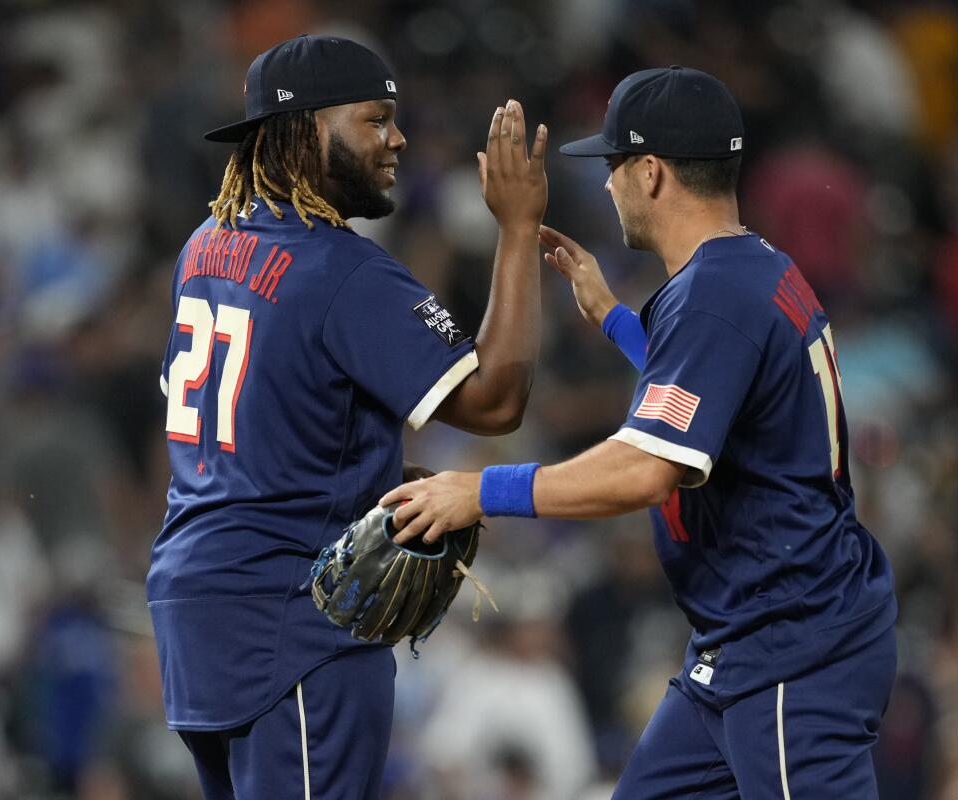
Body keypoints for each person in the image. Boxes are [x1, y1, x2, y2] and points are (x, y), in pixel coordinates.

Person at [383, 66, 897, 798]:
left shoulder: (714, 296)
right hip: (746, 642)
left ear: (652, 172)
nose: (607, 183)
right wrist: (618, 320)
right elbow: (724, 395)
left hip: (792, 644)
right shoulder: (756, 268)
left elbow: (644, 469)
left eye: (615, 164)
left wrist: (481, 489)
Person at [146, 35, 547, 799]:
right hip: (292, 618)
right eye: (374, 120)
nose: (397, 138)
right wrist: (519, 227)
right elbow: (496, 401)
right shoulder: (342, 269)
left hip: (195, 606)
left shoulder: (204, 246)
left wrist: (370, 470)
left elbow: (261, 411)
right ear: (301, 132)